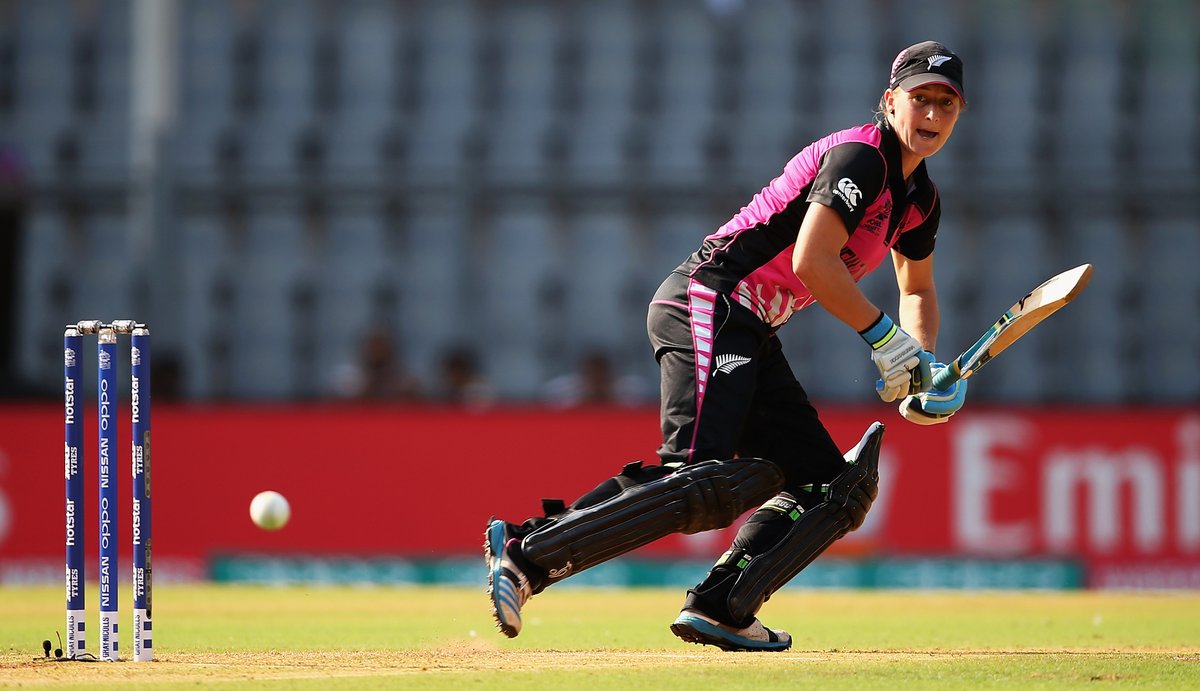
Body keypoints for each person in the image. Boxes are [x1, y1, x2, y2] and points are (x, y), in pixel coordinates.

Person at [485, 41, 971, 652]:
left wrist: (921, 365)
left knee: (832, 488)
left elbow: (918, 289)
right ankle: (528, 554)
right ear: (889, 99)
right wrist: (883, 340)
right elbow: (813, 261)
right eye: (920, 98)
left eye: (946, 104)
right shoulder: (861, 159)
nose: (931, 114)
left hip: (751, 324)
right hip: (709, 298)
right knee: (702, 479)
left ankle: (724, 606)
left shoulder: (920, 199)